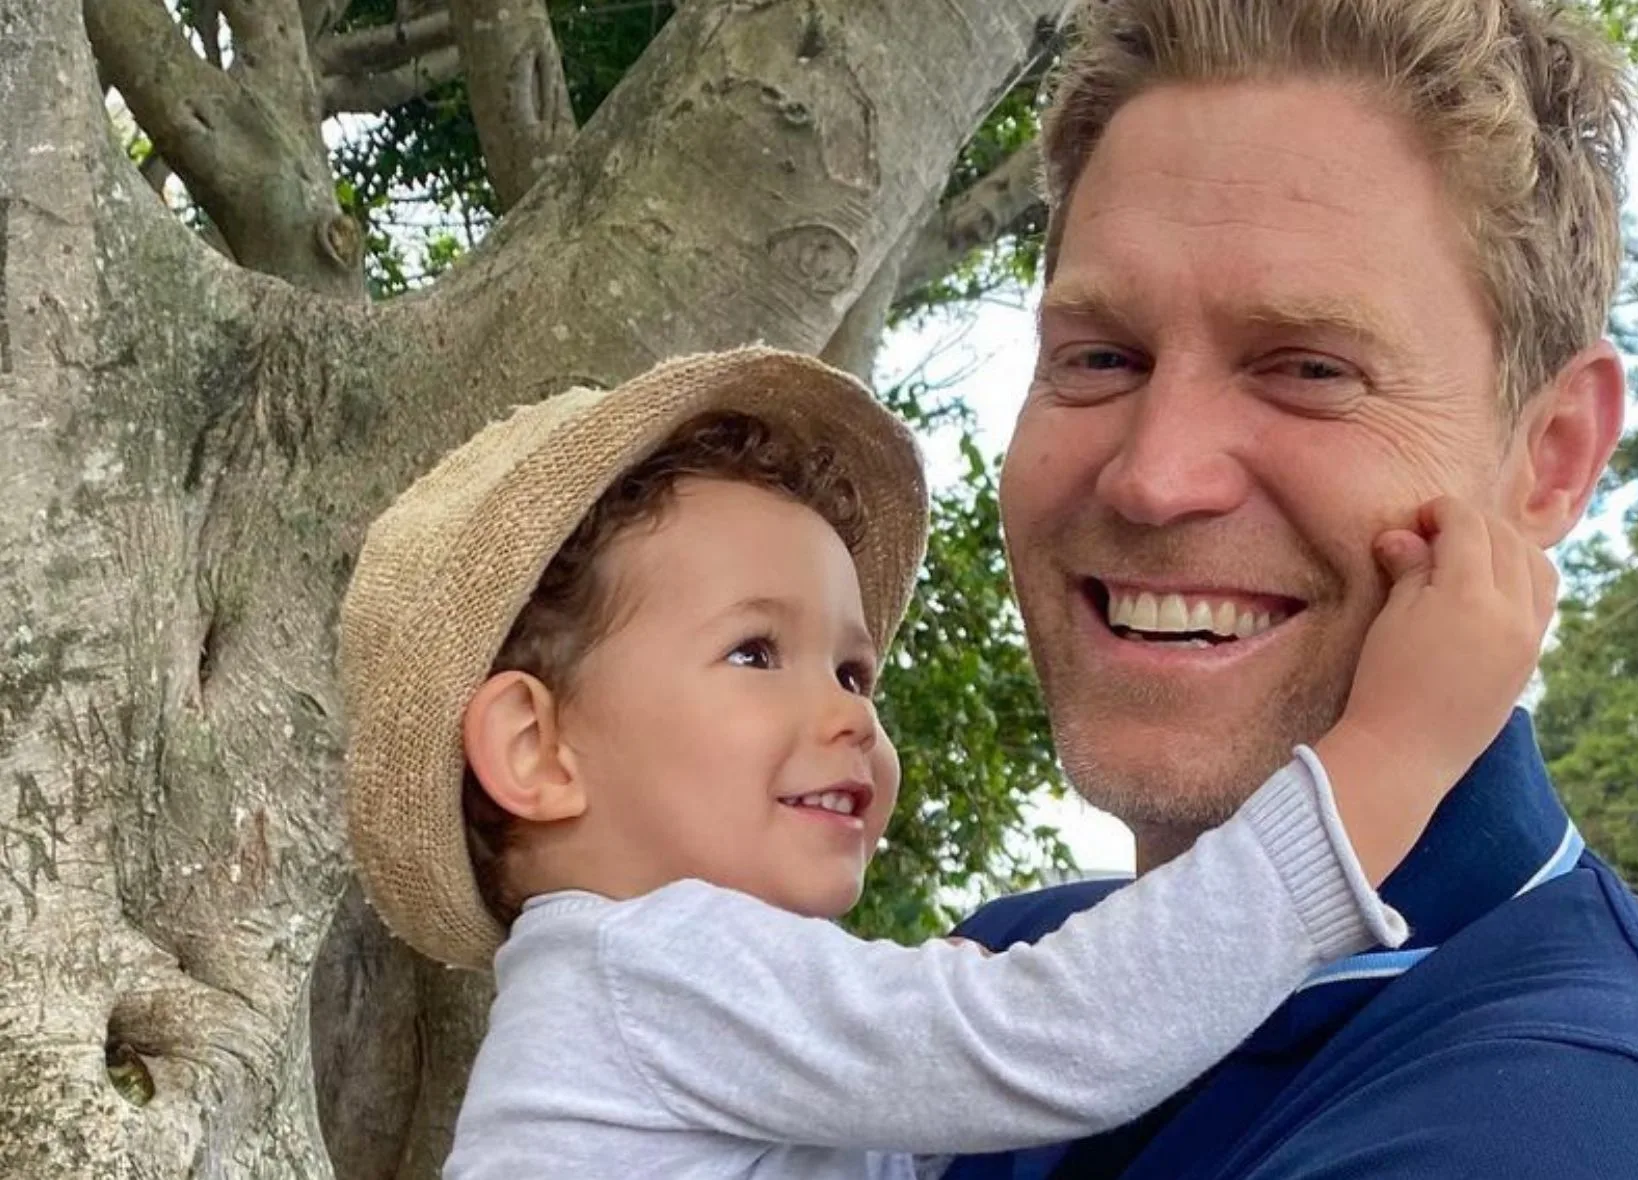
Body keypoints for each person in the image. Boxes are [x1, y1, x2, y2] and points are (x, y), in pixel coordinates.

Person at [943, 2, 1638, 1178]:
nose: (1154, 476)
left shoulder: (1580, 1119)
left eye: (1309, 368)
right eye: (1101, 356)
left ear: (1552, 455)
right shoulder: (1004, 986)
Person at [336, 347, 1554, 1179]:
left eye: (857, 672)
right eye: (758, 653)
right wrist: (1395, 749)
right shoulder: (650, 965)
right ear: (538, 749)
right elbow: (1065, 1033)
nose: (849, 717)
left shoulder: (665, 999)